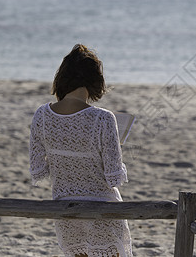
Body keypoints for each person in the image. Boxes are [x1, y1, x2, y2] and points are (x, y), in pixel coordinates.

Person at [29, 44, 133, 257]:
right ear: (95, 81)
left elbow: (38, 168)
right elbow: (113, 177)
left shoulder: (41, 115)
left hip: (64, 209)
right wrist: (113, 150)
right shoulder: (103, 118)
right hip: (102, 209)